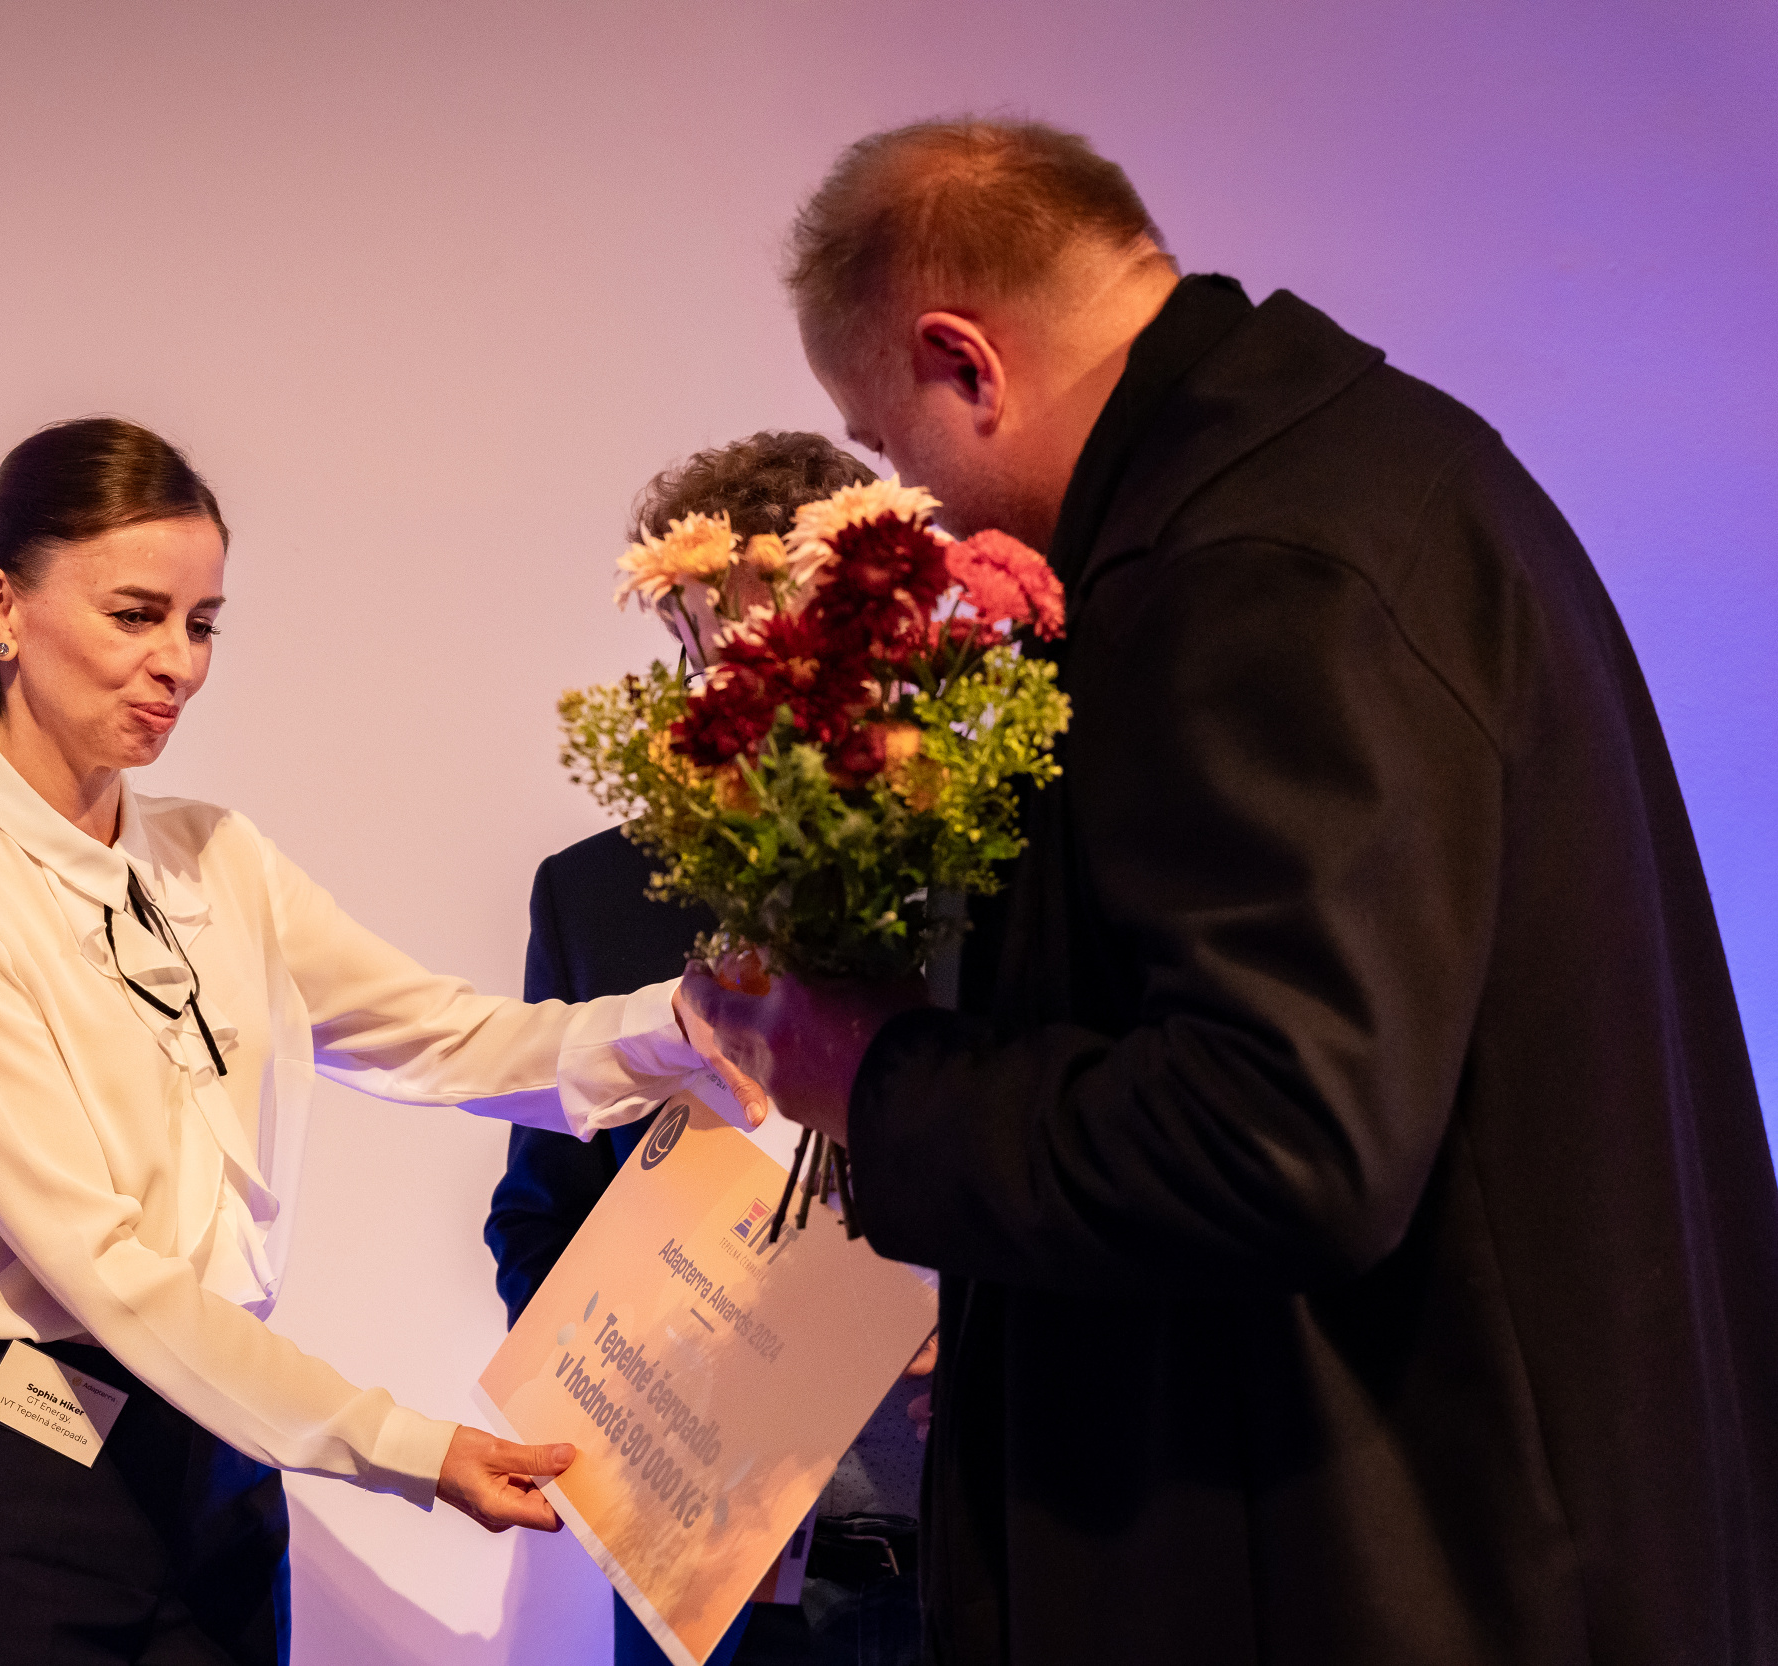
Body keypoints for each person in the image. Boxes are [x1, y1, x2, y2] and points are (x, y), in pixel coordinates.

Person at [679, 120, 1778, 1665]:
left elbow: (1280, 1137)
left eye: (893, 451)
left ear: (963, 363)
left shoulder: (1251, 565)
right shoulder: (1369, 471)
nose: (922, 511)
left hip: (1410, 1577)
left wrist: (880, 1079)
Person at [0, 417, 723, 1665]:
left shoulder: (218, 855)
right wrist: (408, 1447)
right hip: (17, 1481)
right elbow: (106, 1269)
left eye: (200, 623)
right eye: (135, 614)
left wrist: (692, 1024)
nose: (177, 664)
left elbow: (446, 1038)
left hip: (222, 1456)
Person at [485, 431, 932, 1666]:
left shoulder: (979, 873)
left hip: (953, 1572)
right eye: (710, 647)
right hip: (709, 1595)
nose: (744, 680)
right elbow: (536, 1218)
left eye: (780, 637)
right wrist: (614, 1404)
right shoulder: (597, 895)